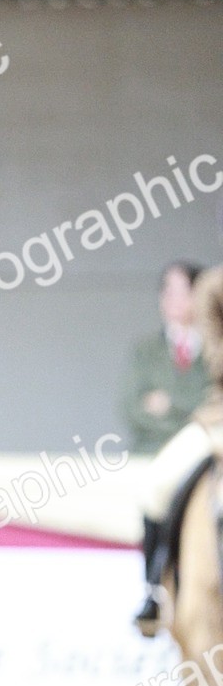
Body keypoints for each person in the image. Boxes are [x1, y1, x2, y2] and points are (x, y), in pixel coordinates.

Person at [135, 263, 223, 634]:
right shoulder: (213, 287)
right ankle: (155, 591)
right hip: (220, 416)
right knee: (158, 483)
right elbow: (214, 358)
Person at [121, 261, 209, 455]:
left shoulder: (214, 351)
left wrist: (169, 403)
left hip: (203, 457)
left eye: (183, 291)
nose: (175, 300)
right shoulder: (144, 351)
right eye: (168, 292)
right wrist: (190, 419)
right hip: (151, 453)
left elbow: (213, 406)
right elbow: (131, 409)